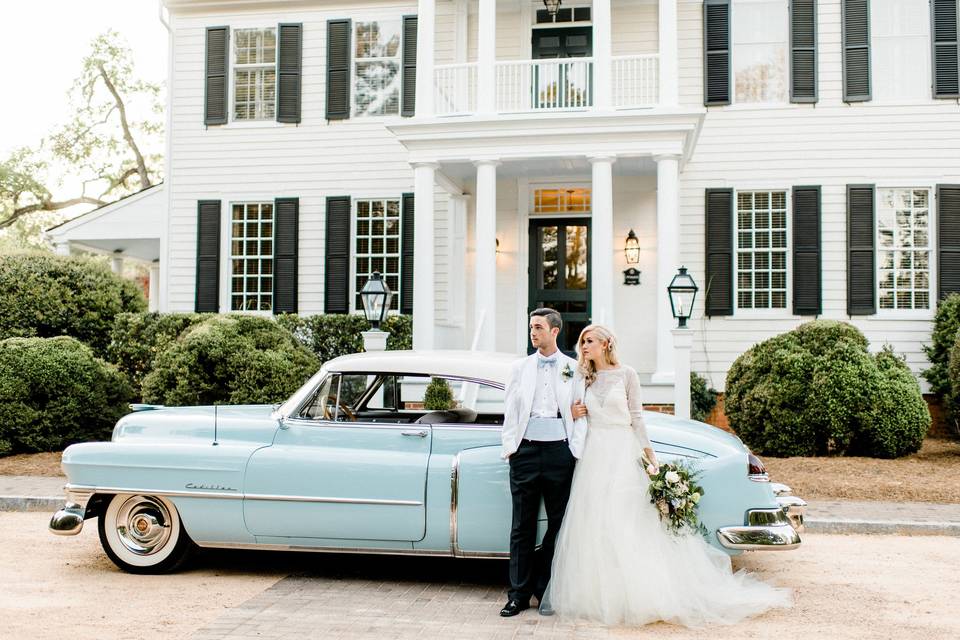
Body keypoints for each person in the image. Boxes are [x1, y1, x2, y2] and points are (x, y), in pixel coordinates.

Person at [540, 324, 792, 627]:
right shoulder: (583, 377)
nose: (583, 347)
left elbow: (637, 418)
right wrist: (575, 412)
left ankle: (638, 593)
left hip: (622, 451)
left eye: (589, 341)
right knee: (594, 523)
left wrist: (651, 459)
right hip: (594, 455)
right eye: (582, 342)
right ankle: (598, 595)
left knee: (627, 521)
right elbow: (568, 408)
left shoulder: (627, 374)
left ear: (606, 344)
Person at [499, 308, 587, 617]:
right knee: (521, 525)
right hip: (525, 453)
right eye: (531, 327)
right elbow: (510, 410)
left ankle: (544, 586)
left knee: (558, 524)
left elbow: (581, 410)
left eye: (538, 327)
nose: (533, 332)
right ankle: (518, 595)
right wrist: (511, 448)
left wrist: (573, 451)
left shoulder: (574, 368)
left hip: (559, 455)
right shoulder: (519, 368)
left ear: (554, 331)